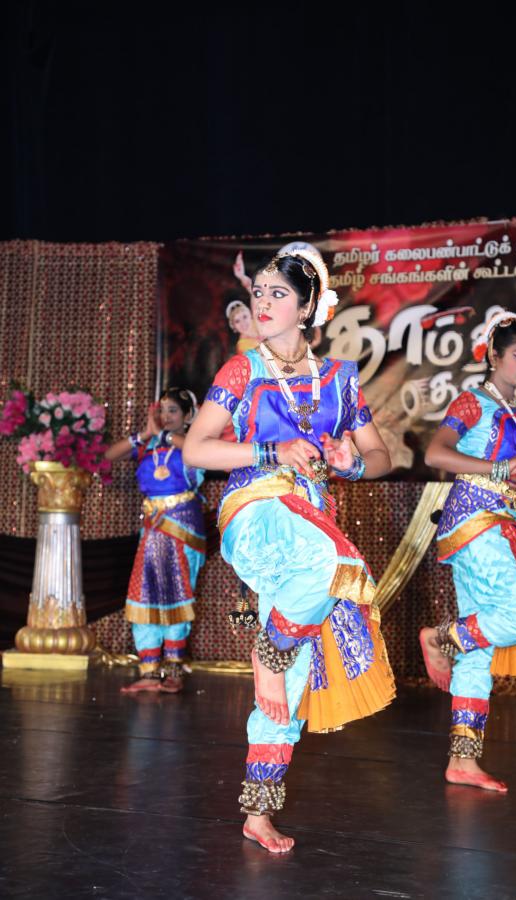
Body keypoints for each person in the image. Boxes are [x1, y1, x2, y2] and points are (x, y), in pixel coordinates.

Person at [183, 248, 395, 853]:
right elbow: (196, 449)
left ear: (307, 309)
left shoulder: (340, 379)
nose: (263, 302)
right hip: (257, 509)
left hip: (312, 517)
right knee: (336, 566)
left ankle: (257, 811)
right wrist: (271, 452)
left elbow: (380, 456)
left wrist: (351, 463)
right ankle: (269, 647)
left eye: (278, 294)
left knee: (292, 686)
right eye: (259, 292)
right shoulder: (242, 370)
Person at [421, 311, 516, 792]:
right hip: (476, 521)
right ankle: (440, 637)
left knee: (480, 648)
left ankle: (462, 762)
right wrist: (499, 470)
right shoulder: (473, 403)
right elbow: (436, 453)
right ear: (494, 357)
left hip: (511, 526)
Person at [105, 388, 206, 694]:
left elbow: (195, 451)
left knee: (177, 593)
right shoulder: (149, 445)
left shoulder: (195, 444)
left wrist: (163, 435)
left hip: (182, 529)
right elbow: (106, 457)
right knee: (145, 594)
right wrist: (146, 435)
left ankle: (173, 669)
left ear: (188, 415)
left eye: (173, 410)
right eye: (162, 410)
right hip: (152, 530)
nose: (166, 416)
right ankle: (149, 671)